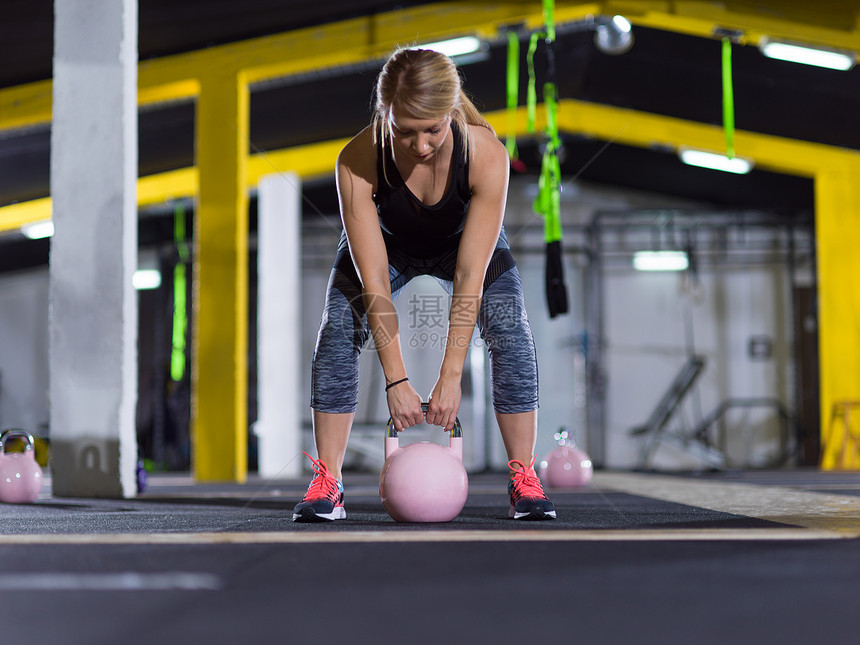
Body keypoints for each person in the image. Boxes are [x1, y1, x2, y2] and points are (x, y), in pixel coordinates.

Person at [292, 47, 556, 522]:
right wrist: (396, 379)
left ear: (451, 112)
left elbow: (469, 276)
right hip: (388, 249)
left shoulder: (485, 153)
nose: (420, 146)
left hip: (463, 251)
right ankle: (327, 480)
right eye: (404, 132)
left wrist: (451, 375)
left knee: (509, 326)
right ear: (384, 116)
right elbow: (373, 280)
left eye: (433, 130)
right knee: (338, 328)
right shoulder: (356, 160)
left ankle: (524, 476)